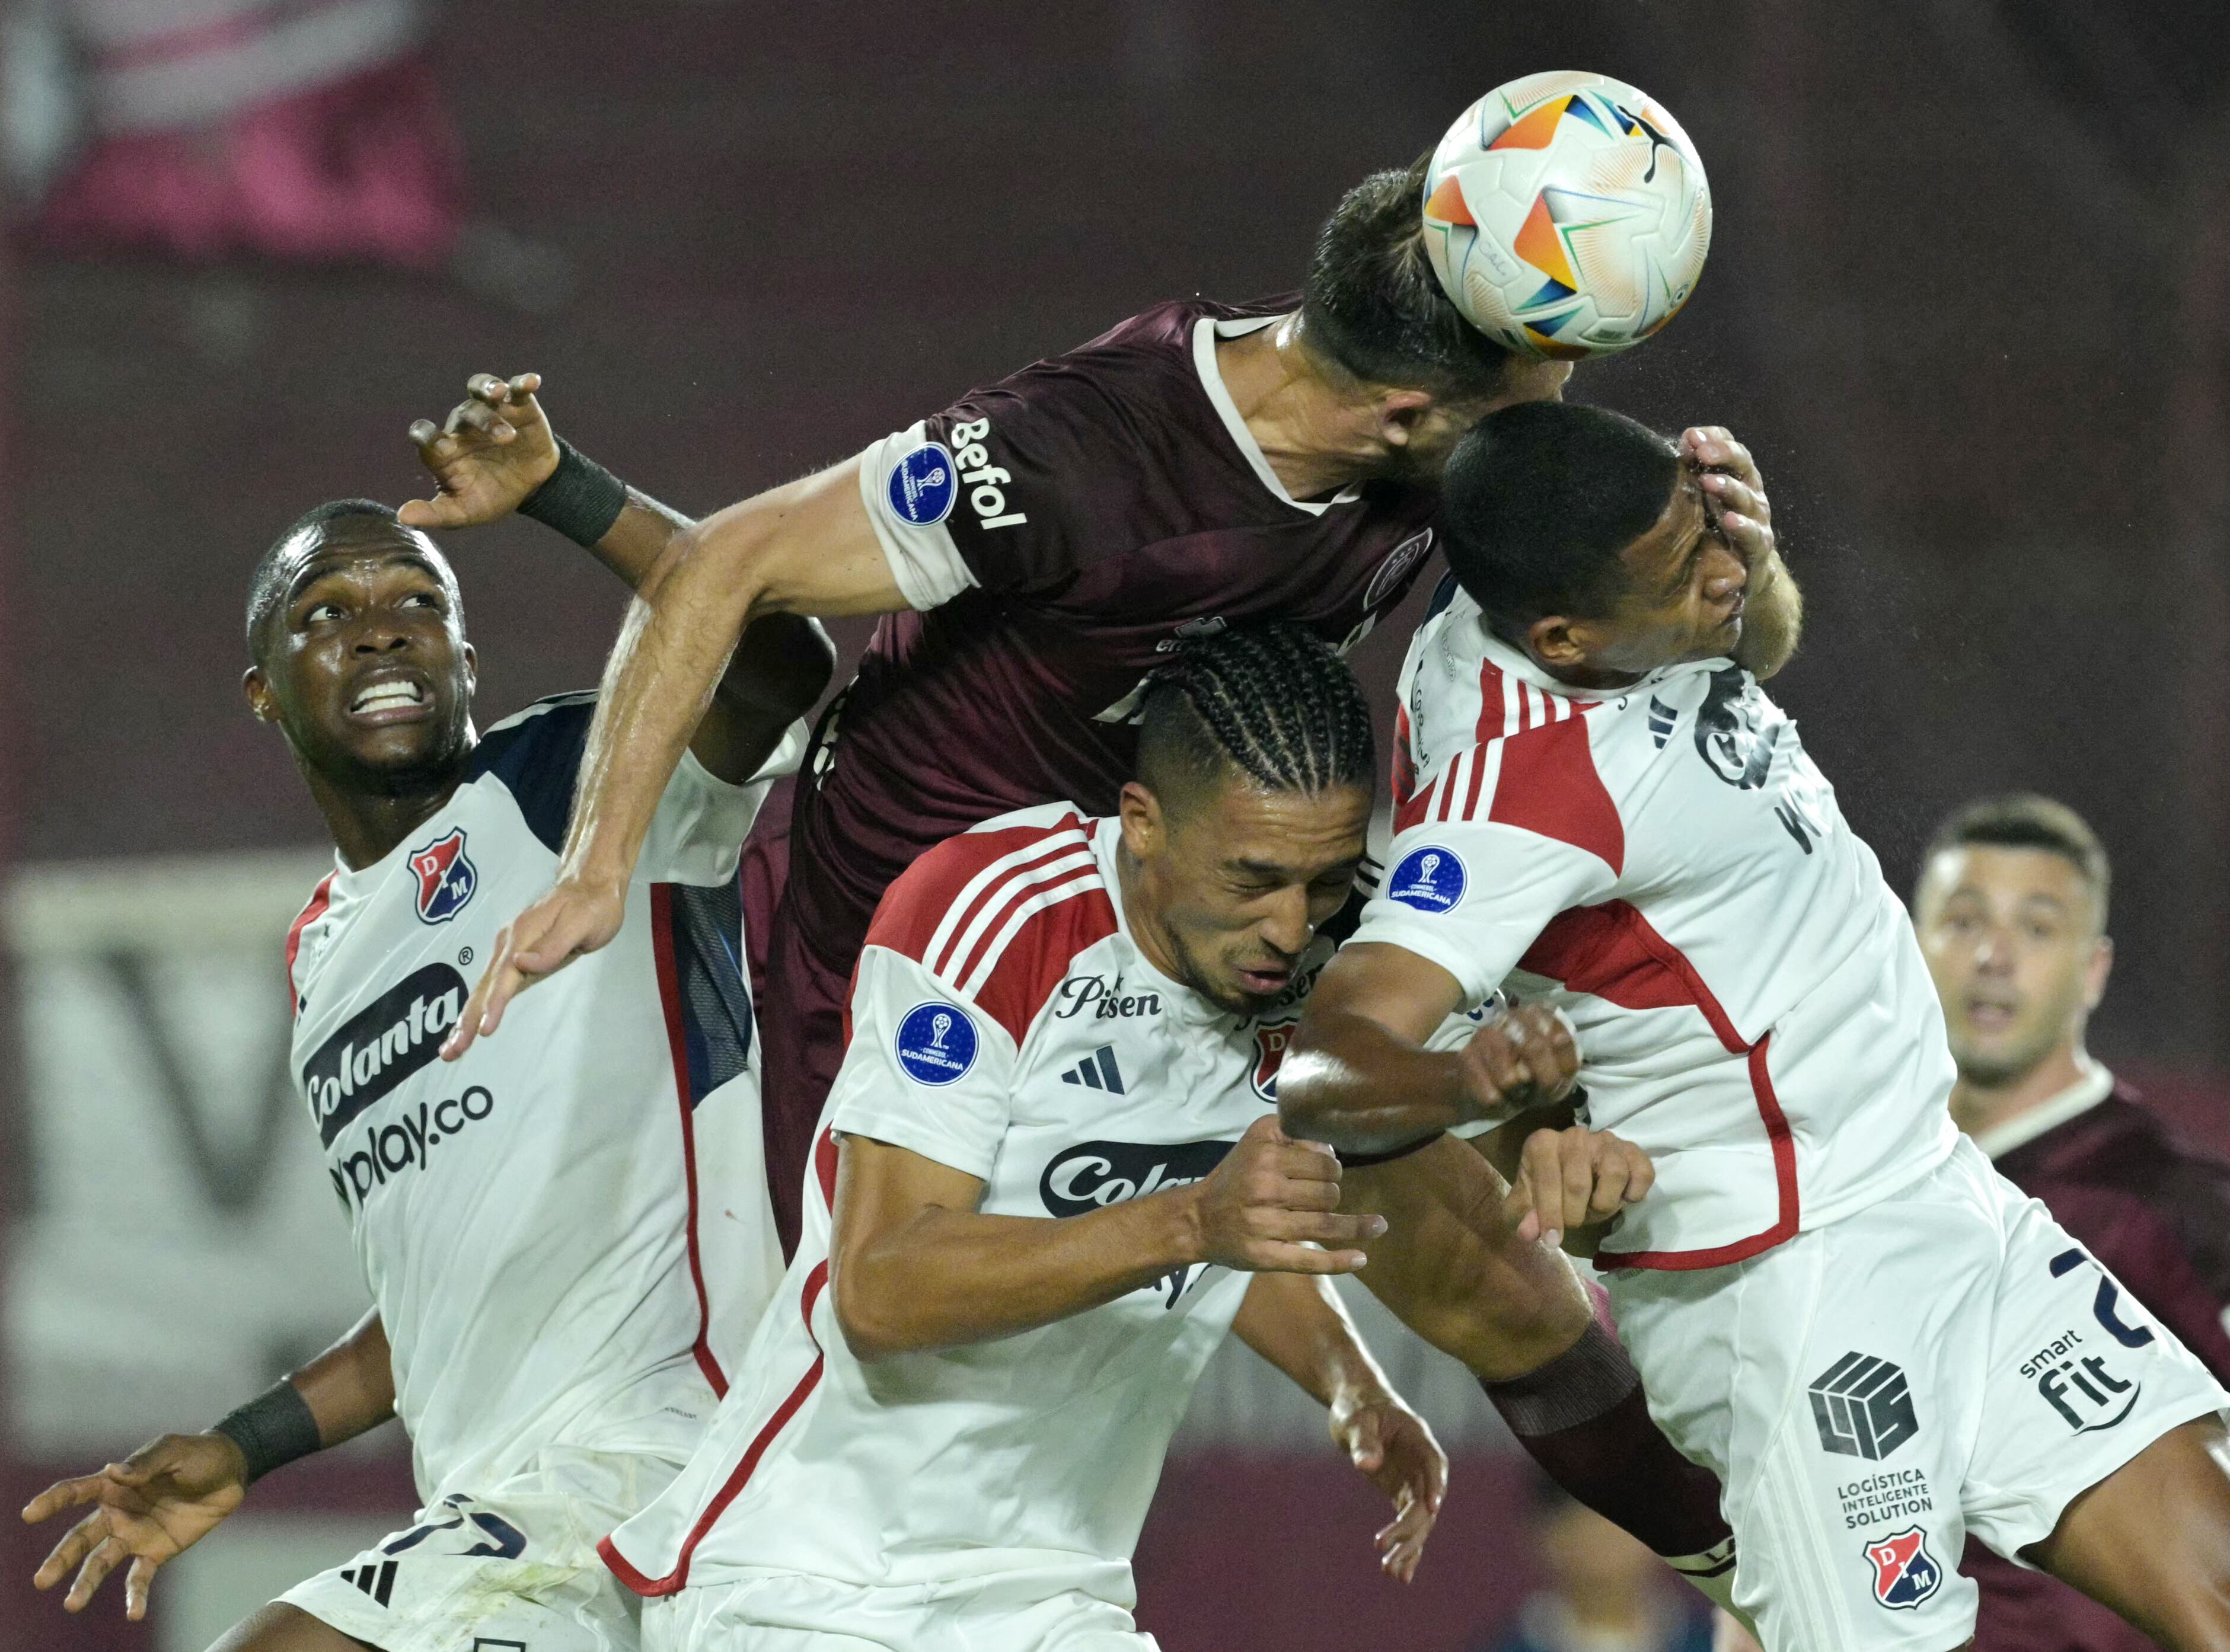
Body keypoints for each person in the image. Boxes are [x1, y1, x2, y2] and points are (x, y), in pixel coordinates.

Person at [395, 151, 1790, 1597]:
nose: (1555, 412)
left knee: (1489, 1261)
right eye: (1535, 378)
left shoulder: (1428, 408)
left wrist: (1735, 560)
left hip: (1217, 895)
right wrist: (596, 865)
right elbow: (734, 562)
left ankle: (1762, 1569)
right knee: (878, 1393)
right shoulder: (1072, 459)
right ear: (1404, 417)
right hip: (924, 939)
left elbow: (1713, 643)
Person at [1276, 399, 2230, 1652]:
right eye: (1687, 568)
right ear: (1563, 635)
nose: (1722, 572)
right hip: (1794, 1288)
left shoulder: (1587, 583)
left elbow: (1743, 662)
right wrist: (1469, 1074)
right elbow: (1322, 1068)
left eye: (1705, 535)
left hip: (1945, 1198)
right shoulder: (1513, 796)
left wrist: (1742, 558)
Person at [20, 498, 830, 1650]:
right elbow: (427, 1312)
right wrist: (243, 1445)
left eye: (418, 603)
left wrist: (565, 491)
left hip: (664, 1462)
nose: (382, 627)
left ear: (465, 657)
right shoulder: (322, 961)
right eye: (328, 611)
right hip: (507, 1508)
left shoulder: (574, 779)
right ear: (263, 688)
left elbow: (780, 663)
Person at [601, 626, 1488, 1650]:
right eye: (1253, 879)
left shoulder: (1331, 959)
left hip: (1058, 1592)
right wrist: (1197, 1218)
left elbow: (1228, 1220)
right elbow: (883, 1286)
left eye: (1325, 880)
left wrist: (1348, 1379)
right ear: (1144, 821)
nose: (1292, 926)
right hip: (812, 1581)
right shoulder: (997, 909)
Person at [1911, 795, 2230, 1651]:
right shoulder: (1873, 1168)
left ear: (2093, 969)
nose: (1992, 956)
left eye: (2036, 927)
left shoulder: (2166, 1192)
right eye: (1962, 920)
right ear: (1908, 943)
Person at [1479, 1477, 1717, 1652]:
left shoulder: (1716, 1644)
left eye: (1629, 1518)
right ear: (1547, 1535)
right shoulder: (1508, 1647)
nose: (1610, 1533)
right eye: (1590, 1517)